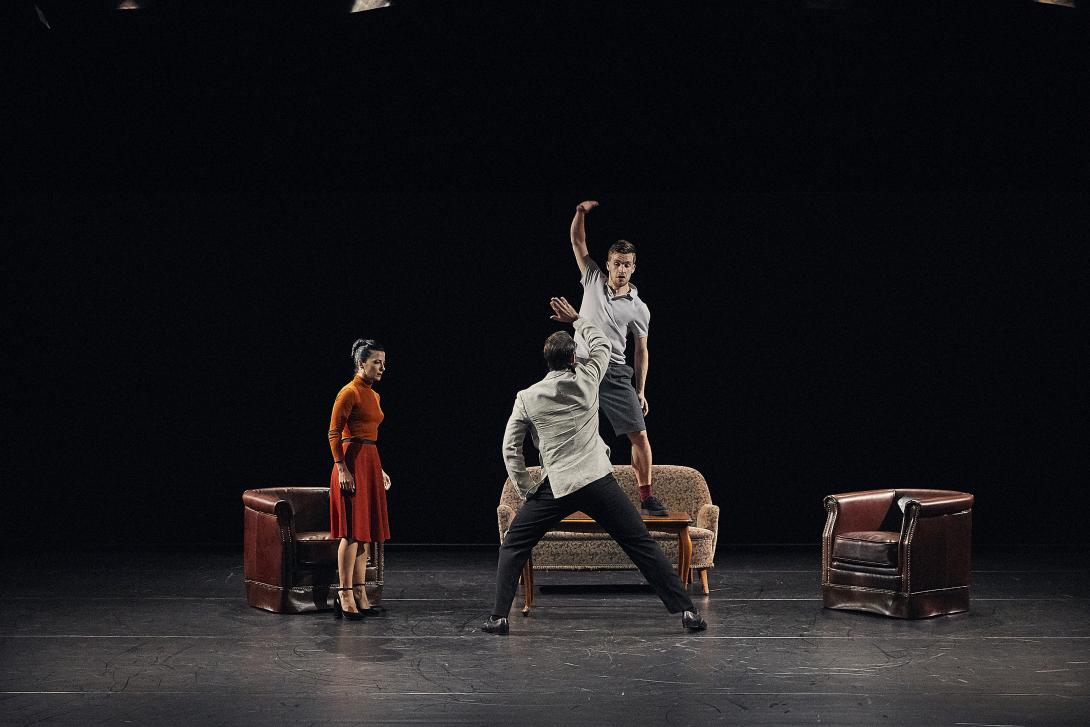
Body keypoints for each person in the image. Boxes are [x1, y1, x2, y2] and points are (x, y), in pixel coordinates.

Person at [482, 296, 706, 635]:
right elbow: (602, 344)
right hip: (598, 481)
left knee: (513, 545)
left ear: (547, 361)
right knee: (641, 543)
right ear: (573, 358)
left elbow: (510, 449)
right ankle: (688, 612)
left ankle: (499, 618)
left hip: (557, 486)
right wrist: (577, 319)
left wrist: (528, 489)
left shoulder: (526, 397)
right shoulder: (588, 378)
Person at [568, 200, 667, 516]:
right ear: (608, 264)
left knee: (640, 436)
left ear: (633, 267)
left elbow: (641, 350)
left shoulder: (639, 308)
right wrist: (580, 213)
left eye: (627, 264)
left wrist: (641, 390)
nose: (621, 269)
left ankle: (647, 497)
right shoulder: (592, 278)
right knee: (570, 432)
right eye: (617, 263)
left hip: (614, 371)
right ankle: (566, 497)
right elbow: (578, 242)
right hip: (582, 366)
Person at [327, 339, 392, 620]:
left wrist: (379, 469)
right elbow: (333, 432)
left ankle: (360, 591)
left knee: (365, 534)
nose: (382, 367)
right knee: (352, 531)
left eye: (383, 362)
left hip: (369, 461)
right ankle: (343, 593)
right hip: (350, 463)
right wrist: (342, 468)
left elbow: (369, 436)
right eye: (376, 362)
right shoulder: (349, 392)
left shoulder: (373, 396)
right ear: (361, 363)